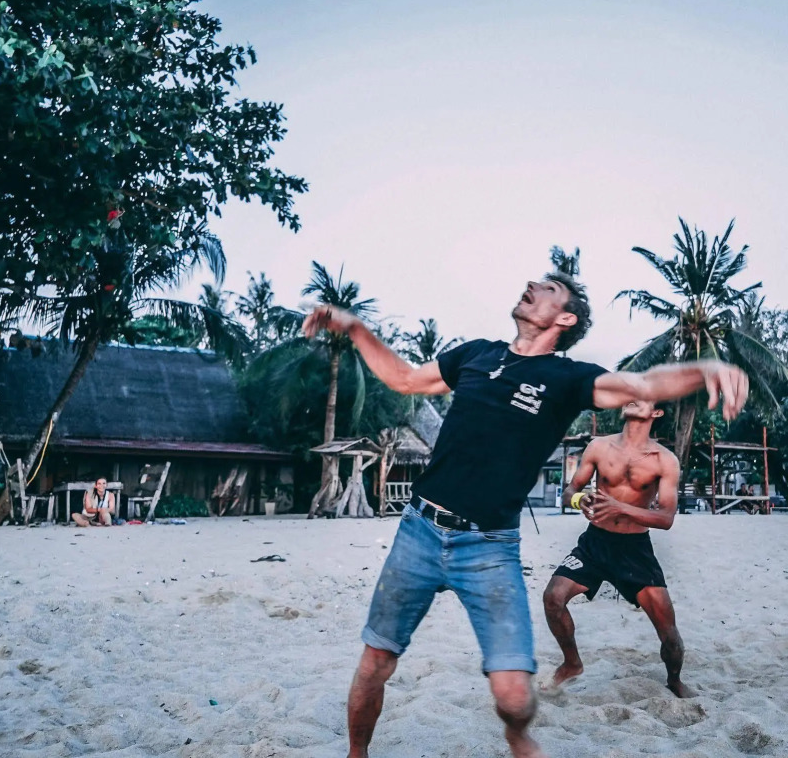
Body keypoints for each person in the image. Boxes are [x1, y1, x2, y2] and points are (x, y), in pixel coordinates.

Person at [302, 273, 747, 758]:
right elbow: (405, 379)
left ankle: (518, 737)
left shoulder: (567, 379)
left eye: (550, 288)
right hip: (419, 531)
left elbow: (642, 383)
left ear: (565, 318)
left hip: (490, 548)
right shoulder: (476, 354)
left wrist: (704, 368)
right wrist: (355, 328)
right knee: (375, 663)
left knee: (515, 698)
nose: (533, 283)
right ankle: (357, 753)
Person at [543, 400, 692, 697]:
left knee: (669, 636)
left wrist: (619, 507)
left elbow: (666, 518)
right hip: (595, 543)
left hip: (635, 550)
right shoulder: (599, 447)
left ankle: (674, 680)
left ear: (656, 413)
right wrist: (579, 500)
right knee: (553, 598)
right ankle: (572, 663)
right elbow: (570, 491)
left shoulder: (665, 460)